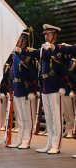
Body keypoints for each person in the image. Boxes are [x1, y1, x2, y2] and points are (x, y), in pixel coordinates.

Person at [15, 24, 68, 154]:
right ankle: (49, 143)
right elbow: (33, 52)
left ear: (55, 36)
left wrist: (63, 86)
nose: (46, 36)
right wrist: (21, 50)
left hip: (55, 87)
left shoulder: (60, 50)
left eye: (48, 34)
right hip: (45, 87)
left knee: (56, 118)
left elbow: (65, 70)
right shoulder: (43, 50)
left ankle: (56, 144)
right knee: (49, 118)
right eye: (45, 35)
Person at [8, 32, 37, 149]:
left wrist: (32, 90)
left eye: (18, 38)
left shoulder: (28, 54)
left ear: (24, 40)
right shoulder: (15, 55)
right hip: (17, 88)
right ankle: (19, 139)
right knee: (19, 117)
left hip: (25, 88)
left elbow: (33, 73)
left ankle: (26, 140)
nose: (15, 40)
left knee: (27, 117)